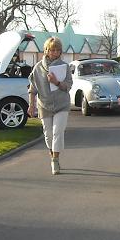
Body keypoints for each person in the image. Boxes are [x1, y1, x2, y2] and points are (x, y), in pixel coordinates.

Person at [28, 37, 73, 175]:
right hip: (44, 105)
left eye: (57, 50)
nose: (55, 53)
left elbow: (68, 86)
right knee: (48, 135)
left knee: (57, 132)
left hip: (62, 104)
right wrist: (31, 105)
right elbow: (32, 89)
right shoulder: (38, 68)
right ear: (46, 51)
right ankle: (52, 154)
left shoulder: (65, 67)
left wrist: (56, 82)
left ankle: (55, 160)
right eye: (52, 50)